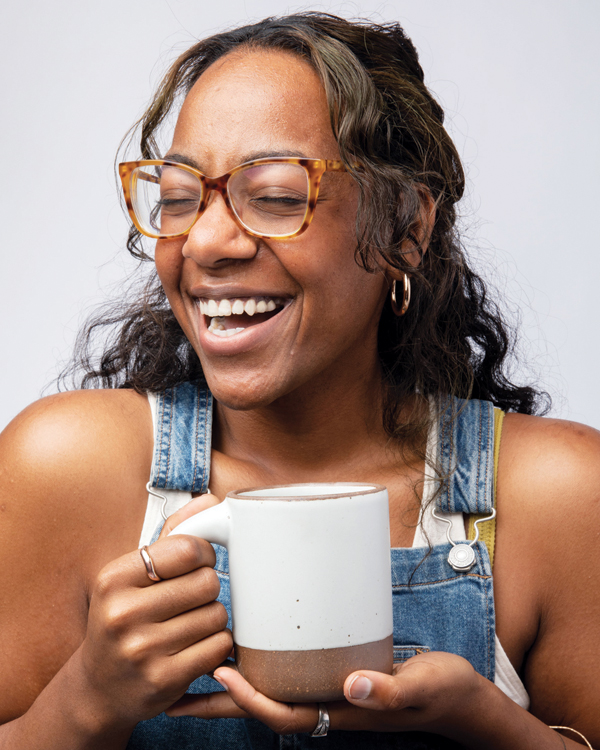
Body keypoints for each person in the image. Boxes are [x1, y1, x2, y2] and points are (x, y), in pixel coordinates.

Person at [0, 12, 598, 750]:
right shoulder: (66, 468)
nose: (208, 242)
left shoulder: (559, 495)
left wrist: (486, 724)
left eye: (278, 196)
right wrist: (85, 701)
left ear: (405, 228)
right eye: (180, 197)